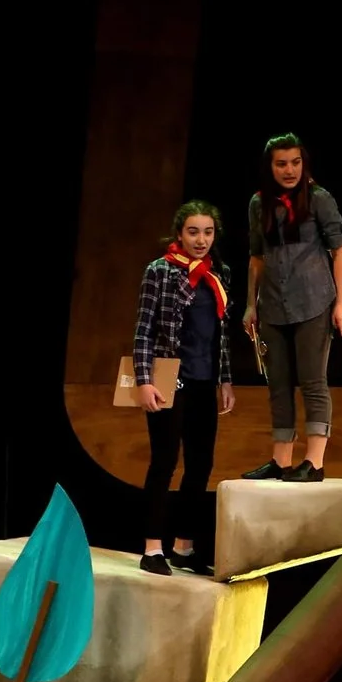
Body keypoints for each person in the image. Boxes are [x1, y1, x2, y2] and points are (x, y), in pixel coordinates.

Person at [238, 132, 342, 483]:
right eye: (281, 164)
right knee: (279, 384)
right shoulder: (259, 204)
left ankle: (314, 462)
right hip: (272, 305)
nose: (289, 170)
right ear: (270, 167)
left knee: (313, 381)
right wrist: (250, 306)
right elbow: (256, 258)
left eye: (295, 163)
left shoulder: (319, 199)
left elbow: (340, 253)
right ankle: (280, 459)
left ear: (304, 163)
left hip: (314, 302)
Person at [133, 200, 239, 575]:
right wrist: (144, 380)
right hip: (167, 374)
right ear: (180, 233)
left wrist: (225, 379)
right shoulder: (160, 271)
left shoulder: (219, 273)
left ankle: (184, 546)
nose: (201, 239)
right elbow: (144, 329)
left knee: (201, 464)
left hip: (204, 378)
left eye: (208, 232)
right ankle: (152, 547)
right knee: (164, 461)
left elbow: (220, 335)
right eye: (193, 232)